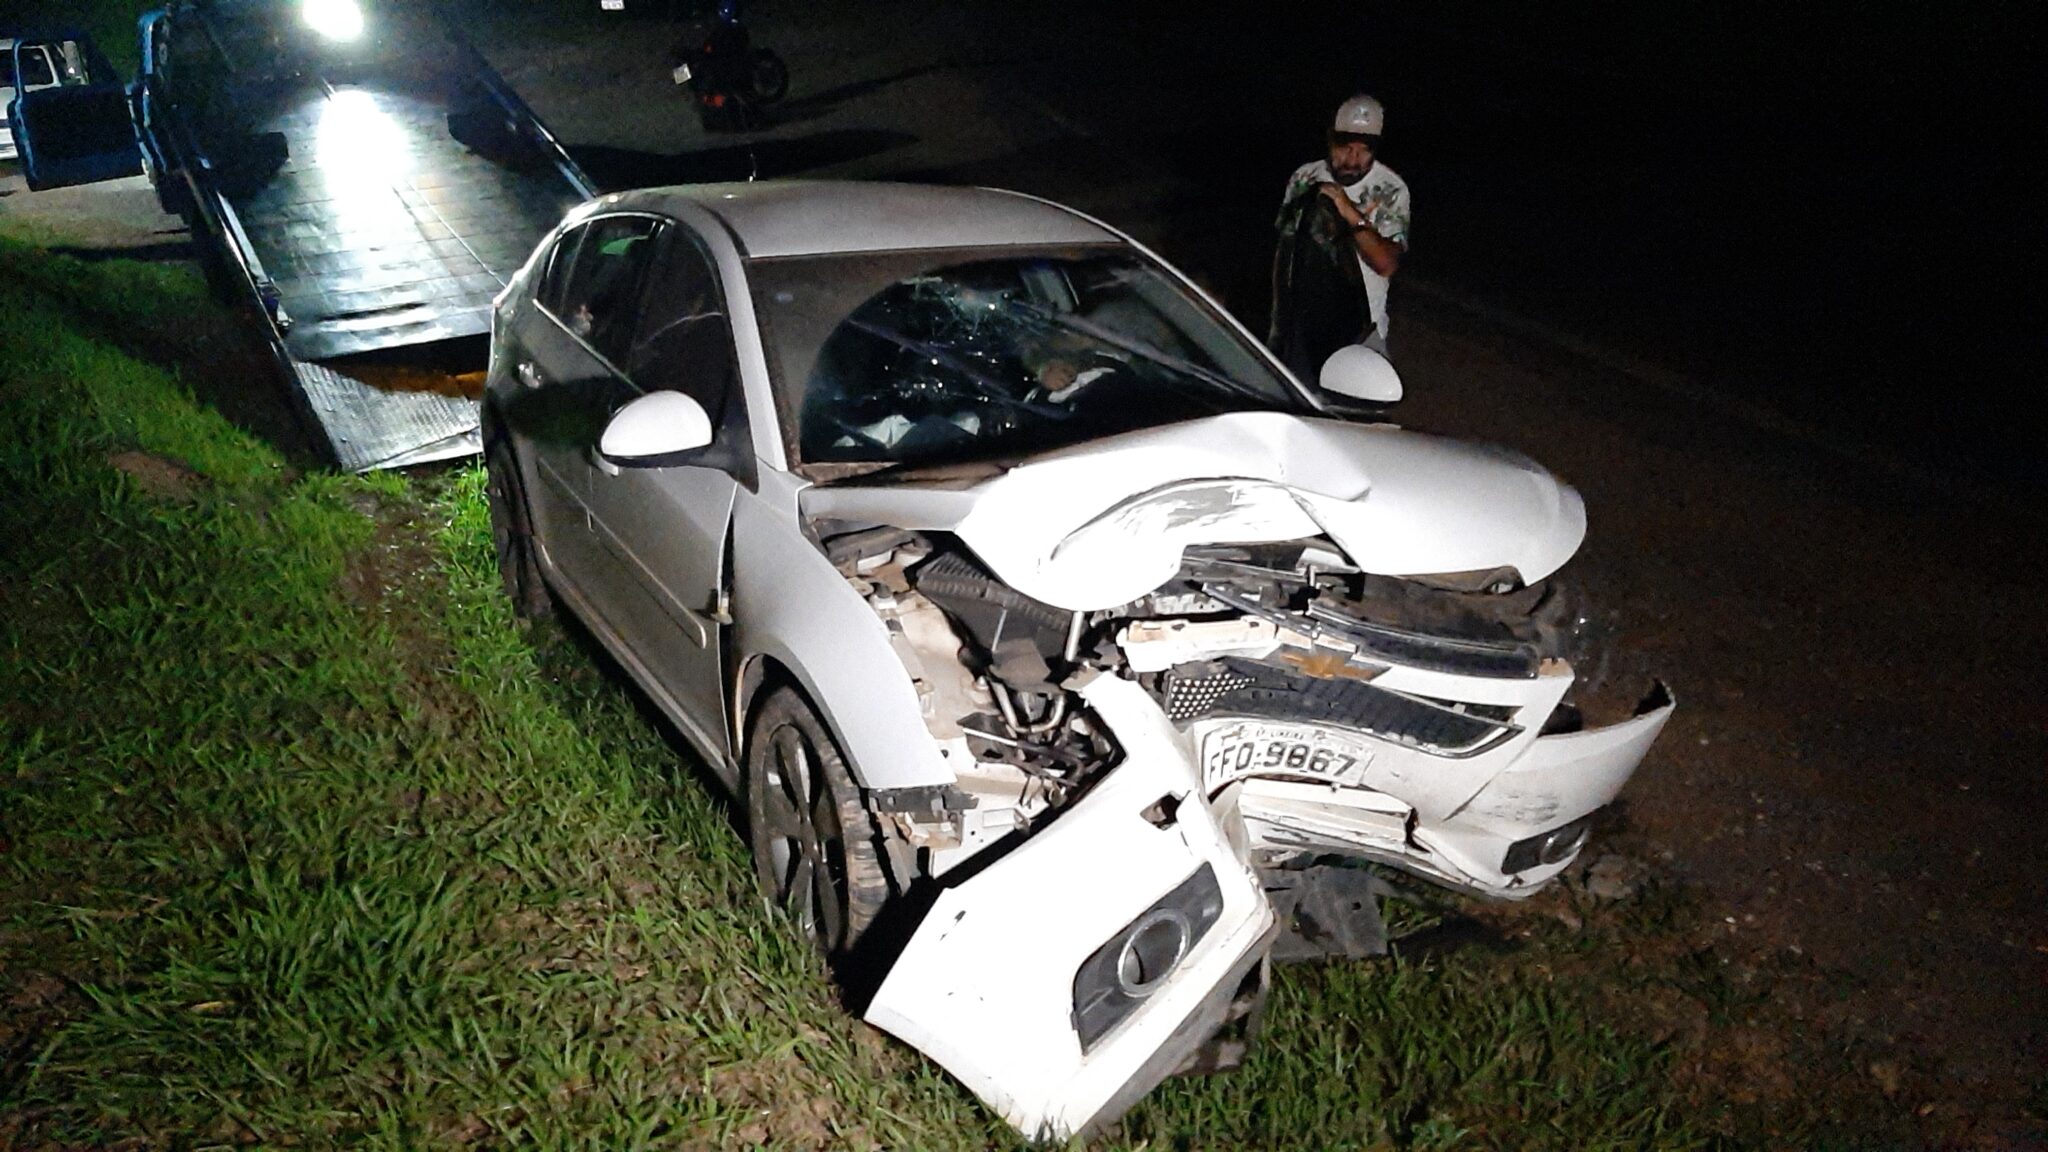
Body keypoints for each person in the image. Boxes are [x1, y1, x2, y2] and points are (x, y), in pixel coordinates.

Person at [1269, 94, 1412, 383]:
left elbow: (1385, 264)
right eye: (1345, 147)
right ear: (1330, 140)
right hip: (1298, 328)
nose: (1353, 160)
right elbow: (1282, 249)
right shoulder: (1304, 176)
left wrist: (1349, 212)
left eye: (1363, 150)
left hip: (1358, 332)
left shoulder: (1391, 189)